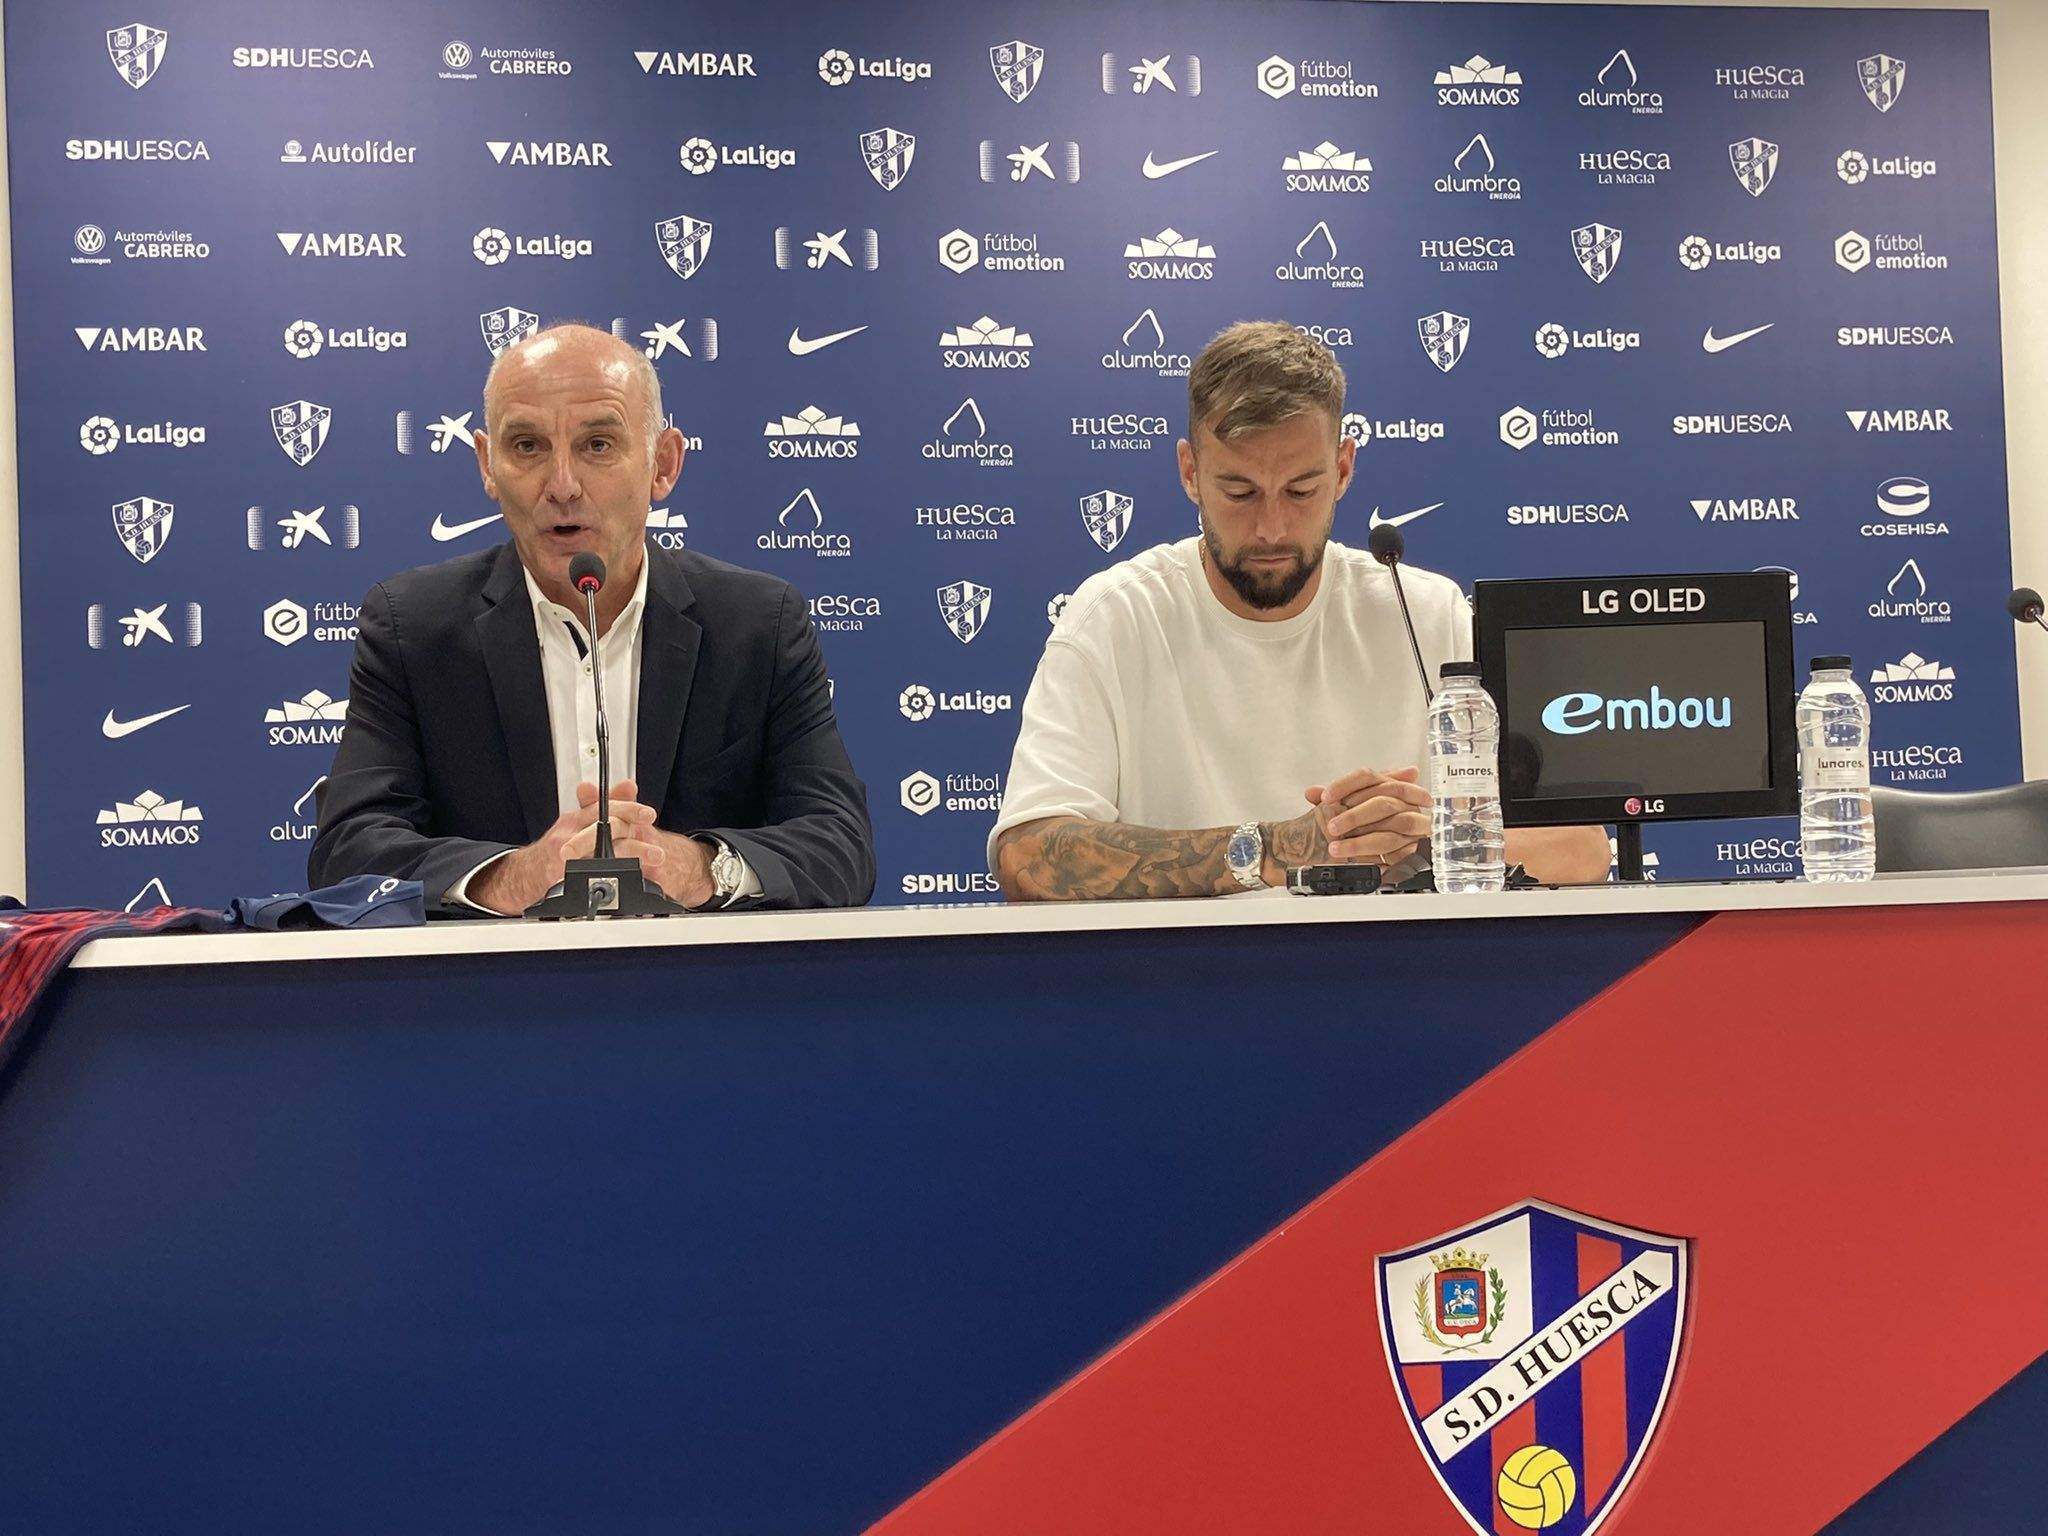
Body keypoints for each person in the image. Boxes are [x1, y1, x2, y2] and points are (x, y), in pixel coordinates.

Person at [989, 321, 1610, 900]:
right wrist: (1275, 849)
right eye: (1239, 492)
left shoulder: (1428, 613)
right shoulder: (1114, 618)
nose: (1271, 527)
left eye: (1301, 490)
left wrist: (1423, 838)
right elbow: (1027, 858)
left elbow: (1583, 850)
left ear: (1343, 468)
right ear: (1189, 472)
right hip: (1176, 996)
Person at [309, 323, 875, 914]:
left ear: (663, 465)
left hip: (704, 991)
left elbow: (840, 846)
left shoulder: (758, 622)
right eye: (527, 446)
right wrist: (513, 875)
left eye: (598, 445)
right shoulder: (414, 627)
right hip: (491, 993)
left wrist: (696, 866)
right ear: (487, 465)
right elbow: (348, 852)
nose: (562, 485)